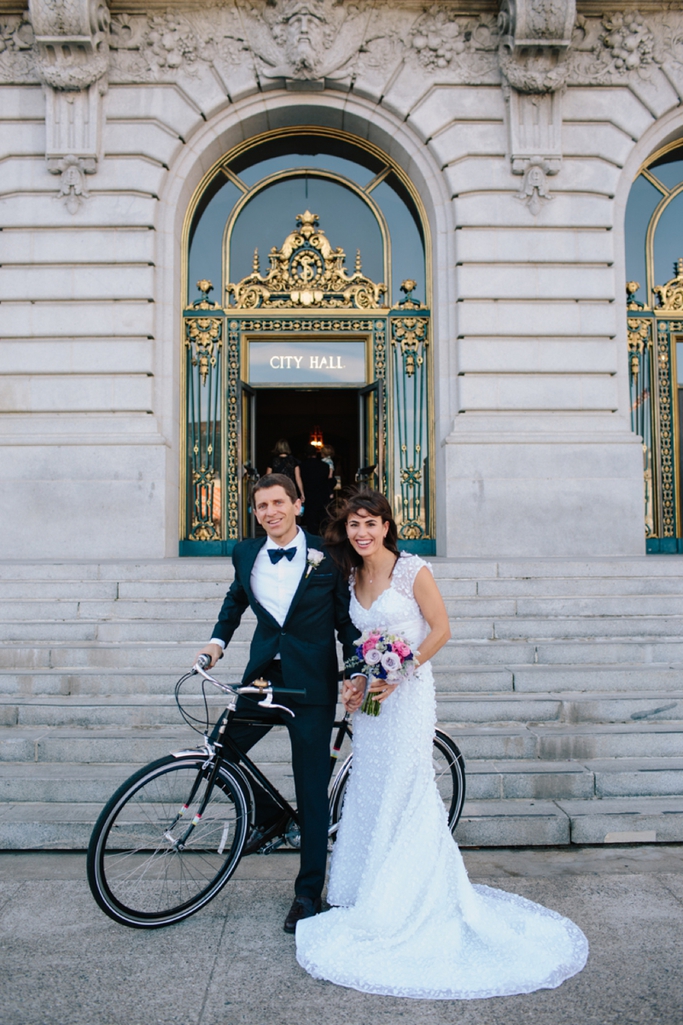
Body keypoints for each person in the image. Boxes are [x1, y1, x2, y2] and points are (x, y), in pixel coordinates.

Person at [295, 491, 589, 999]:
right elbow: (359, 645)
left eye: (370, 523)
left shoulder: (412, 571)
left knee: (407, 785)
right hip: (373, 703)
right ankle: (370, 889)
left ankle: (409, 898)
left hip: (408, 698)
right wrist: (358, 684)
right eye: (353, 525)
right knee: (369, 783)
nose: (361, 533)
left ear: (387, 526)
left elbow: (442, 628)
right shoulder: (350, 576)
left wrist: (401, 669)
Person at [195, 474, 359, 934]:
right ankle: (267, 816)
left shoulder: (328, 555)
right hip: (266, 675)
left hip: (312, 685)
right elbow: (236, 600)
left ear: (298, 504)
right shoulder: (245, 552)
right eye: (261, 505)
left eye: (278, 503)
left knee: (311, 792)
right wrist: (216, 643)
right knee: (220, 749)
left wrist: (357, 669)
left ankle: (308, 895)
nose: (270, 512)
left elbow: (346, 621)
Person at [299, 445, 333, 536]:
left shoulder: (302, 466)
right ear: (316, 453)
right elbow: (329, 480)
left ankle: (312, 544)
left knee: (311, 524)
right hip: (323, 496)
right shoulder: (325, 466)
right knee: (324, 522)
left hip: (309, 496)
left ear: (306, 454)